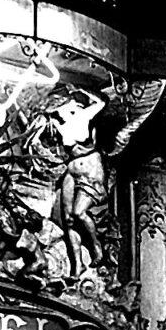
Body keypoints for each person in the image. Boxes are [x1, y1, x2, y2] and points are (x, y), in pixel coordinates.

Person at [50, 87, 111, 279]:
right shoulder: (60, 125)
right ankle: (77, 266)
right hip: (71, 172)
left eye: (62, 104)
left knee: (79, 212)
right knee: (68, 220)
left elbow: (101, 102)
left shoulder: (83, 116)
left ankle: (96, 246)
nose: (58, 109)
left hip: (90, 171)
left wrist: (82, 89)